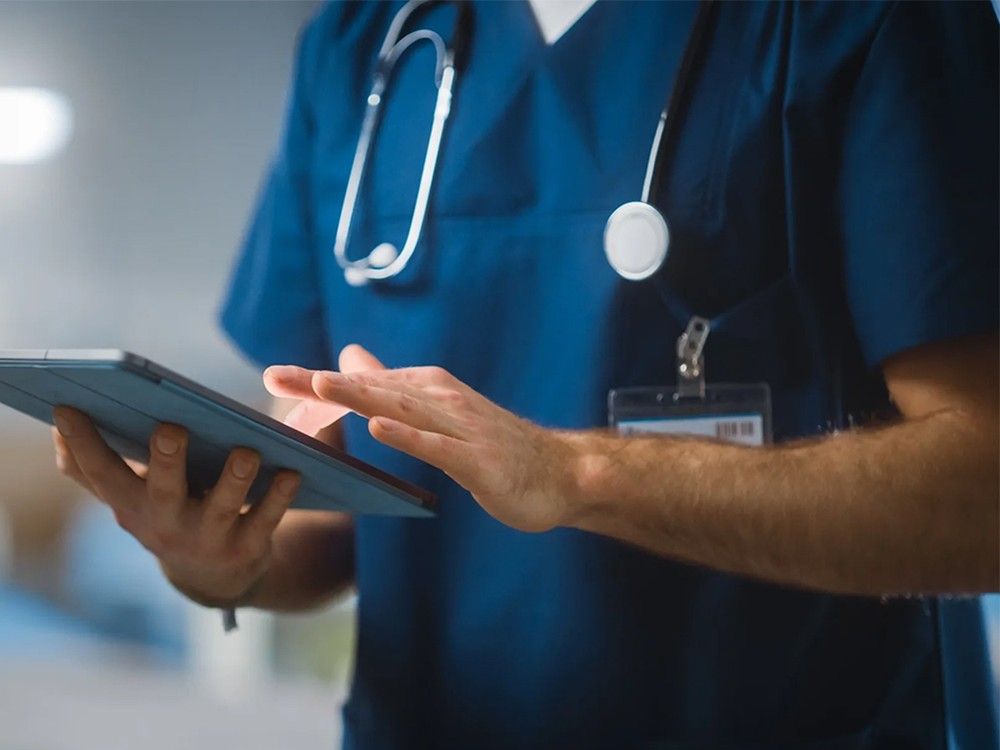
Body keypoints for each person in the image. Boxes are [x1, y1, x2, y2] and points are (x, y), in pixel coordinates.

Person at [50, 1, 999, 748]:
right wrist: (220, 562)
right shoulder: (360, 49)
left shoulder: (865, 19)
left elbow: (980, 494)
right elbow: (331, 512)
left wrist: (576, 476)